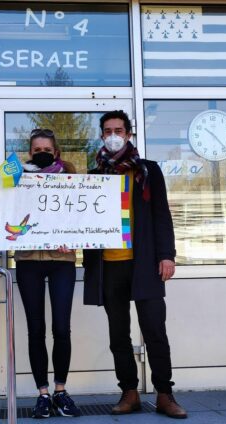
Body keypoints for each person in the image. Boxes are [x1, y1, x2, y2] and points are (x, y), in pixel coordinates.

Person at [82, 111, 187, 419]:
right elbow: (83, 222)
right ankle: (129, 392)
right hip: (109, 266)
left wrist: (167, 254)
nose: (113, 135)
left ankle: (165, 394)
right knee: (118, 335)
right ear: (102, 136)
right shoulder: (94, 175)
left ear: (128, 134)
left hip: (145, 265)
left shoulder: (148, 171)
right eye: (107, 131)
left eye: (118, 130)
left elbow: (161, 216)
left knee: (154, 330)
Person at [14, 128, 81, 419]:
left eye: (47, 149)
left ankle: (61, 391)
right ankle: (42, 394)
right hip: (28, 259)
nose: (42, 153)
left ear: (56, 153)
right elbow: (6, 211)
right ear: (30, 153)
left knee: (62, 328)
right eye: (36, 149)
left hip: (62, 259)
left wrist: (75, 236)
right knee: (36, 329)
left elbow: (83, 214)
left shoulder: (72, 178)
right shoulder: (14, 179)